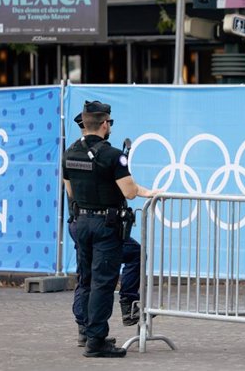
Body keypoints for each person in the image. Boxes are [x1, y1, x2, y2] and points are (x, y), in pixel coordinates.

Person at [63, 100, 158, 358]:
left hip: (80, 222)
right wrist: (148, 191)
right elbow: (129, 191)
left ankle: (85, 329)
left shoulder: (69, 153)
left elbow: (70, 191)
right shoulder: (114, 155)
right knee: (103, 283)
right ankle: (97, 340)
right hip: (105, 225)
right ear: (105, 124)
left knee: (86, 278)